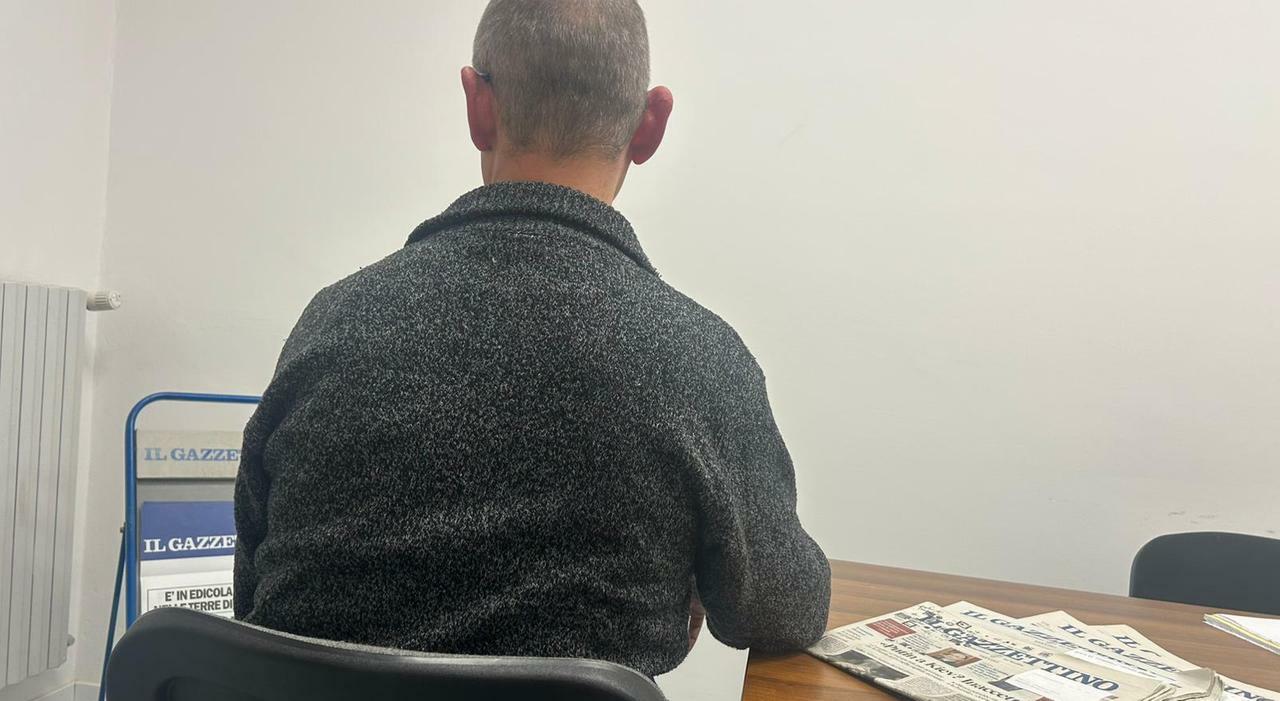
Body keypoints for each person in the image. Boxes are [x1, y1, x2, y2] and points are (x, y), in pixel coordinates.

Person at [233, 0, 830, 678]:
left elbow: (252, 599)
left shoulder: (328, 322)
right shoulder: (703, 359)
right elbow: (783, 611)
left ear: (477, 108)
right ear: (650, 126)